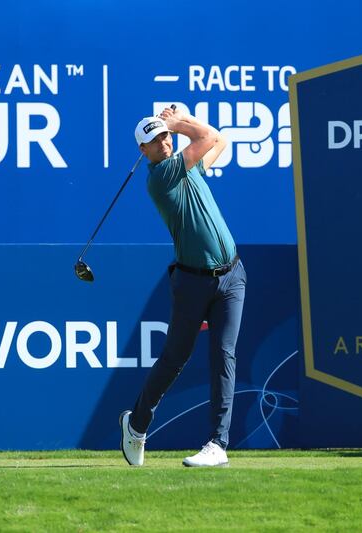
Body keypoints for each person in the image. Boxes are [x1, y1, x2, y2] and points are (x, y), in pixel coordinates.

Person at [120, 106, 246, 468]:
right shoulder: (161, 176)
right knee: (175, 357)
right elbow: (205, 138)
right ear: (143, 151)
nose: (164, 141)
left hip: (232, 276)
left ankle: (217, 444)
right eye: (155, 139)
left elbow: (218, 139)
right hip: (192, 282)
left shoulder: (187, 168)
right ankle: (137, 423)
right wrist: (181, 122)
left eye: (165, 135)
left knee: (224, 355)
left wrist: (184, 117)